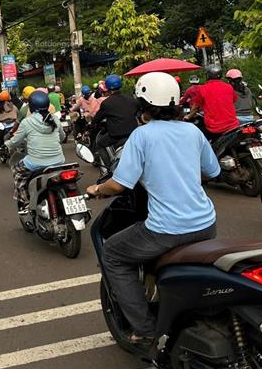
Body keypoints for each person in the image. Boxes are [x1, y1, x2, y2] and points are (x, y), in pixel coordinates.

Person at [87, 72, 220, 344]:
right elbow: (212, 171)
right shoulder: (192, 131)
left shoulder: (142, 136)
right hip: (206, 225)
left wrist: (97, 190)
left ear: (143, 105)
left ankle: (145, 329)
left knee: (112, 253)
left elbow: (119, 185)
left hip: (165, 230)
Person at [3, 90, 65, 213]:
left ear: (30, 107)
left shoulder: (27, 122)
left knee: (17, 171)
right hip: (59, 161)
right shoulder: (54, 119)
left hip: (35, 162)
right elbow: (62, 137)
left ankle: (26, 203)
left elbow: (15, 141)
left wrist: (6, 145)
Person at [90, 74, 139, 157]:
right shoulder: (131, 100)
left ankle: (108, 168)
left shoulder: (106, 103)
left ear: (107, 87)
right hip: (133, 134)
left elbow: (96, 119)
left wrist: (92, 123)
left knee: (100, 144)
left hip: (115, 136)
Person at [186, 65, 240, 138]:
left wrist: (188, 116)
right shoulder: (229, 87)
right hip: (233, 126)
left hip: (214, 128)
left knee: (198, 136)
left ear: (207, 75)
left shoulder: (202, 89)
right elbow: (234, 100)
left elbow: (195, 107)